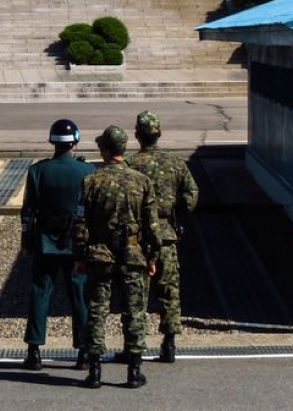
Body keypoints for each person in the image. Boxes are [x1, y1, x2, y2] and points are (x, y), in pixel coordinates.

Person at [72, 125, 161, 390]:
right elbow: (152, 227)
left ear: (106, 150)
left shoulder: (91, 181)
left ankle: (95, 371)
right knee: (134, 311)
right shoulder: (142, 182)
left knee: (97, 310)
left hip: (99, 254)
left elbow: (80, 223)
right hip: (133, 254)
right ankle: (134, 371)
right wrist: (152, 257)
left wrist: (80, 255)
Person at [20, 118, 95, 371]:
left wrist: (27, 242)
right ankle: (84, 351)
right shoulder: (87, 171)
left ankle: (34, 350)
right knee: (80, 296)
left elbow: (28, 213)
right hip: (77, 243)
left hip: (45, 242)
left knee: (40, 293)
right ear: (75, 141)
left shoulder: (38, 171)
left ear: (53, 141)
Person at [126, 110, 199, 363]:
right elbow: (191, 194)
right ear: (159, 134)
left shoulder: (131, 165)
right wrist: (176, 213)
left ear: (137, 135)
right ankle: (169, 343)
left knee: (136, 293)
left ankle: (134, 345)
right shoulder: (176, 163)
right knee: (169, 290)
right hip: (167, 235)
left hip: (138, 238)